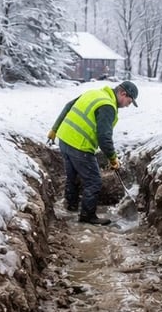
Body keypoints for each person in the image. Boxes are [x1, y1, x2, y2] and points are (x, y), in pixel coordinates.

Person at [46, 80, 139, 225]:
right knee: (94, 182)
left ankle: (70, 207)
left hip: (64, 140)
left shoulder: (94, 93)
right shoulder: (108, 106)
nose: (128, 105)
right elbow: (104, 137)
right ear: (123, 93)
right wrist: (113, 159)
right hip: (79, 146)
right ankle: (87, 216)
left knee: (73, 177)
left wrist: (54, 130)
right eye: (129, 101)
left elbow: (68, 106)